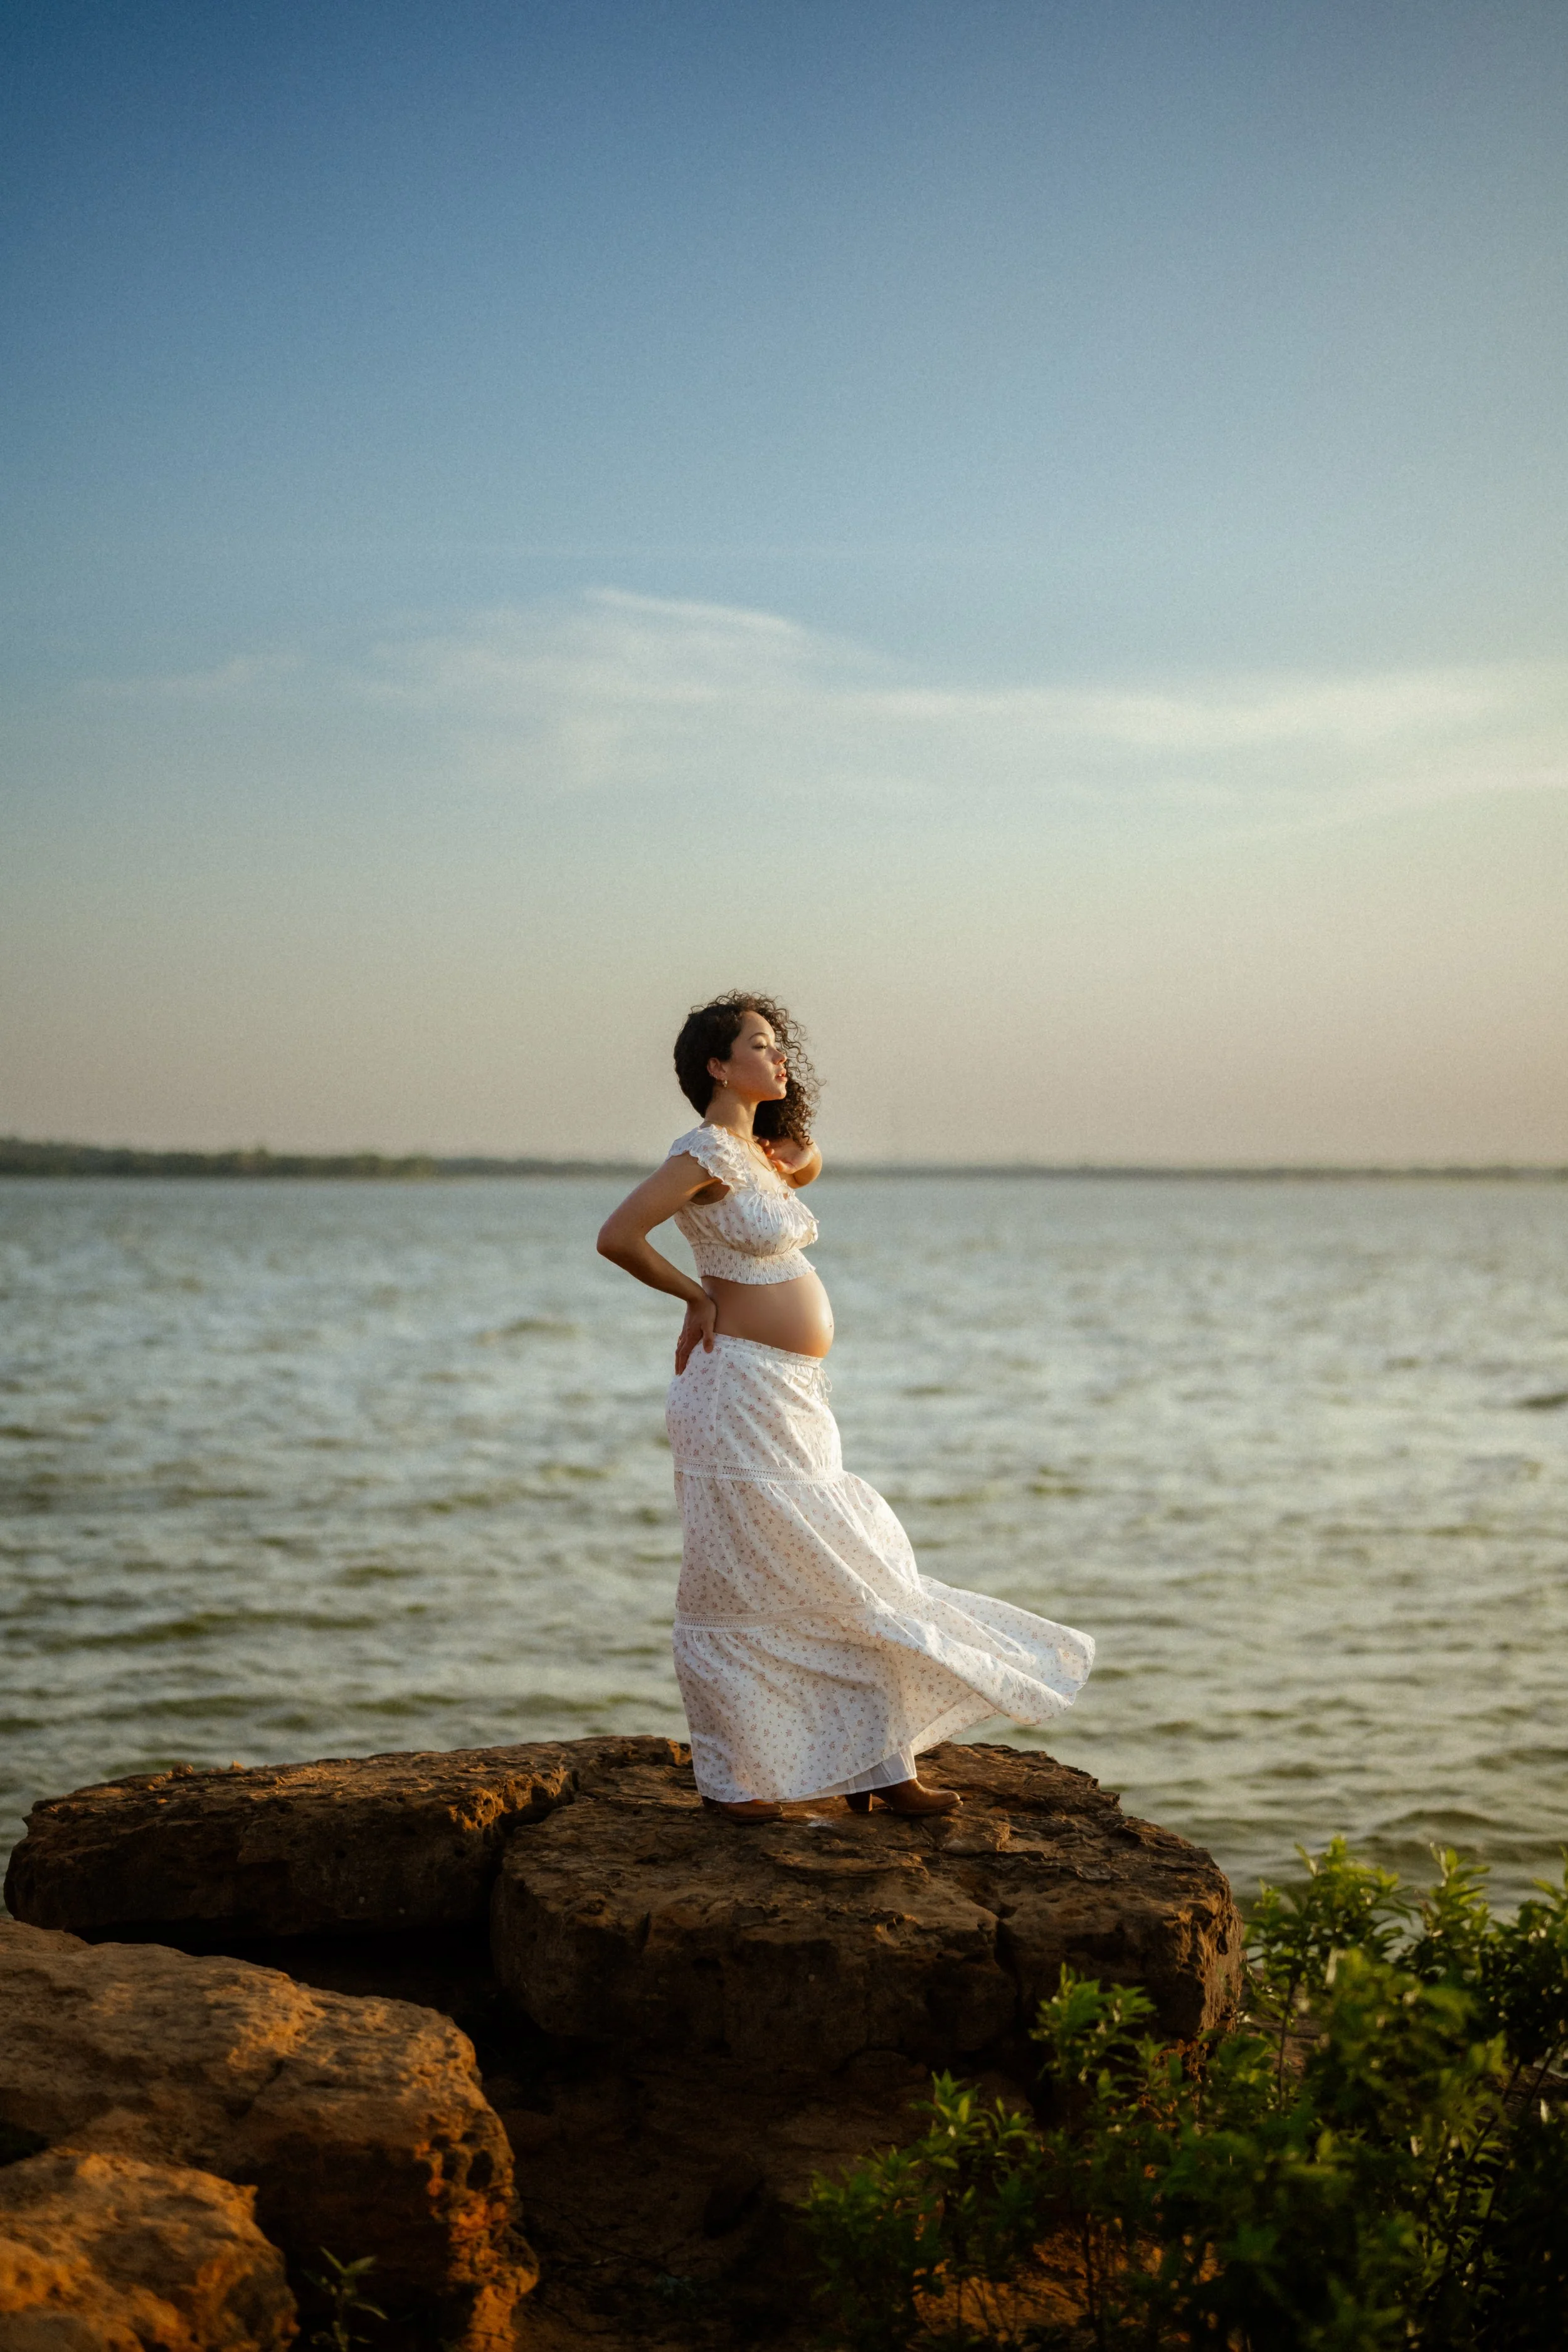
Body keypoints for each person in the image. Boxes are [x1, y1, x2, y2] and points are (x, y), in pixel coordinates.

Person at [596, 992, 1094, 1821]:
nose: (779, 1056)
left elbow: (809, 1154)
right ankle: (735, 1781)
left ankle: (876, 1763)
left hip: (794, 1396)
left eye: (779, 1043)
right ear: (717, 1064)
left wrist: (787, 1152)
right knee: (745, 1579)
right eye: (760, 1044)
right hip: (737, 1393)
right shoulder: (703, 1155)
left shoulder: (760, 1157)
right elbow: (619, 1235)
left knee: (848, 1568)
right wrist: (693, 1296)